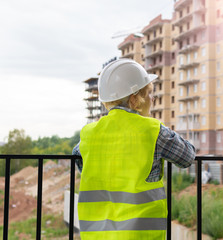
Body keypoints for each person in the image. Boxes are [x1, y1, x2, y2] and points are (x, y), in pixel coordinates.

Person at [72, 58, 195, 239]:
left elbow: (79, 158)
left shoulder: (89, 133)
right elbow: (187, 156)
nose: (152, 99)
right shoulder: (152, 130)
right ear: (134, 98)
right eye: (148, 93)